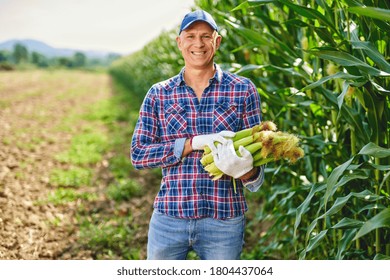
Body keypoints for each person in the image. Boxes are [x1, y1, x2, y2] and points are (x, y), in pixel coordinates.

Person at [131, 9, 265, 260]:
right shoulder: (159, 94)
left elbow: (257, 179)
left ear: (217, 41)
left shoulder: (243, 90)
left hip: (224, 220)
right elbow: (138, 155)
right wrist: (190, 144)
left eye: (206, 36)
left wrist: (245, 171)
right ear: (179, 42)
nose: (198, 44)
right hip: (170, 218)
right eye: (190, 36)